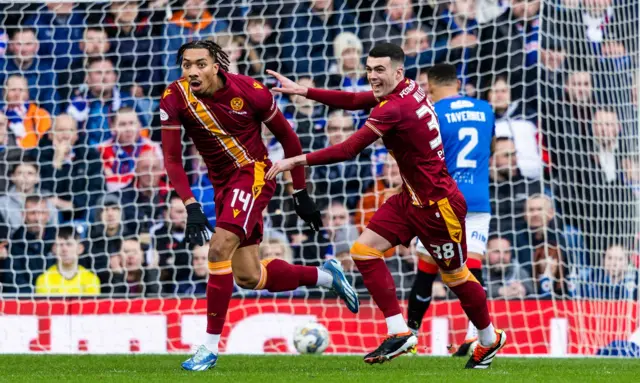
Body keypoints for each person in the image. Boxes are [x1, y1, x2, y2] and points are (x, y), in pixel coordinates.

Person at [266, 43, 506, 368]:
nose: (372, 76)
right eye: (368, 69)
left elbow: (349, 149)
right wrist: (304, 91)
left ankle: (490, 339)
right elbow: (353, 100)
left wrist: (295, 160)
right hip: (410, 199)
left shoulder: (393, 109)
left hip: (439, 208)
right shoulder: (409, 90)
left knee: (456, 277)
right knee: (364, 251)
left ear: (397, 72)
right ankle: (399, 331)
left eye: (379, 70)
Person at [159, 40, 357, 371]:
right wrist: (191, 204)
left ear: (216, 65)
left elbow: (290, 139)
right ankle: (326, 276)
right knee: (249, 276)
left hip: (254, 173)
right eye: (186, 65)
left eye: (200, 64)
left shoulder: (252, 91)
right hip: (220, 184)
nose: (192, 71)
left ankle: (208, 348)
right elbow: (171, 158)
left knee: (218, 249)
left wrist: (300, 192)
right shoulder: (174, 97)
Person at [407, 63, 495, 356]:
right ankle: (477, 336)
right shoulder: (486, 109)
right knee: (472, 267)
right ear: (458, 82)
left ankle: (410, 337)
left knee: (427, 269)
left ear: (429, 86)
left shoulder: (433, 113)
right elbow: (490, 147)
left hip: (444, 200)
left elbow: (424, 160)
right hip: (478, 200)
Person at [35, 225, 100, 296]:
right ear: (53, 249)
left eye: (69, 244)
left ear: (80, 248)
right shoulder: (44, 280)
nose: (64, 249)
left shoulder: (91, 279)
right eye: (60, 245)